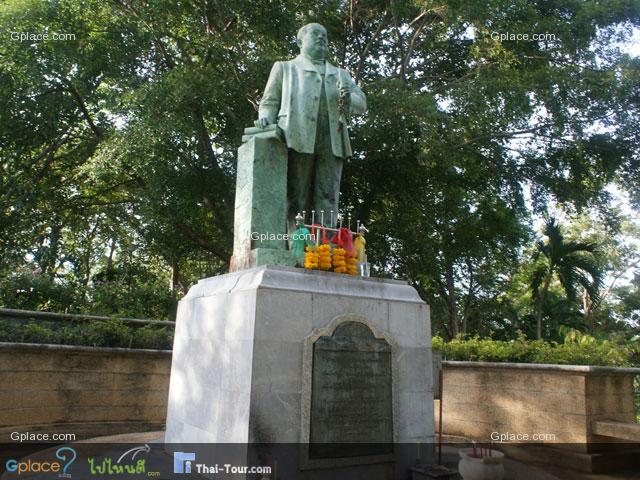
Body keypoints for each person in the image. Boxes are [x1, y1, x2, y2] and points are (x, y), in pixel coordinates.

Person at [254, 22, 366, 230]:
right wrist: (266, 118)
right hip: (297, 137)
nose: (322, 37)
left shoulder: (340, 74)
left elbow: (361, 102)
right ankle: (297, 244)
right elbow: (269, 101)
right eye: (315, 33)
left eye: (324, 35)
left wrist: (350, 98)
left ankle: (326, 245)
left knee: (328, 195)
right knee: (297, 195)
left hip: (332, 139)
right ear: (299, 41)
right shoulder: (286, 68)